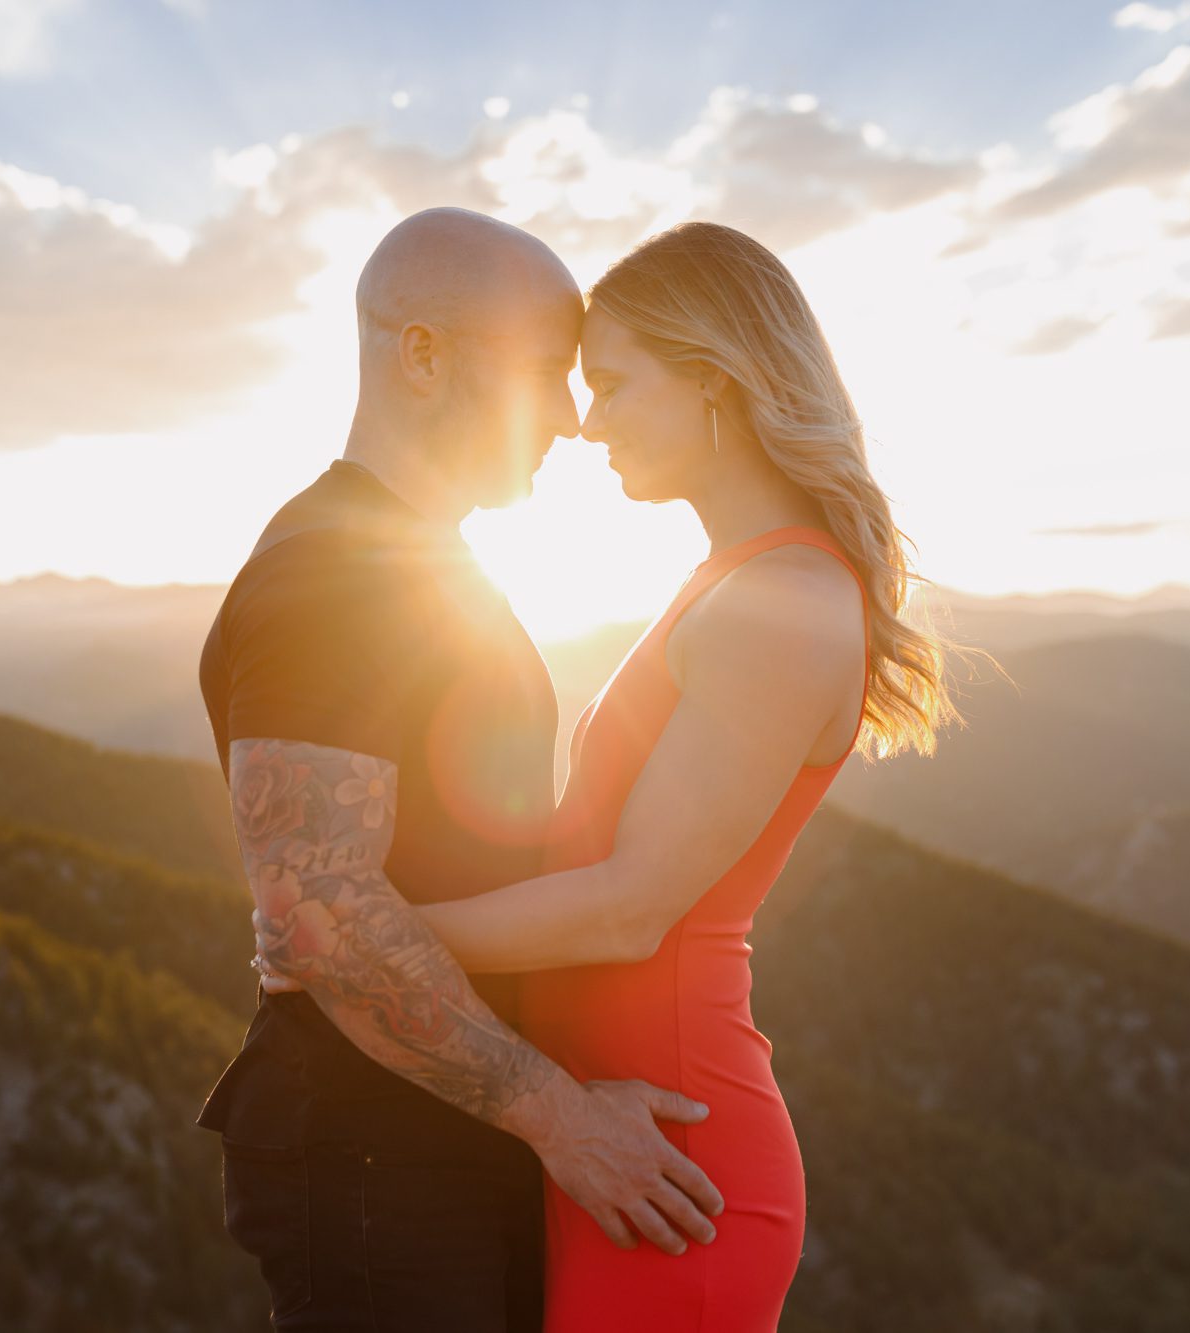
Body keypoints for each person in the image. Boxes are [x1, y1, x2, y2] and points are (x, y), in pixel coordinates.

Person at [258, 220, 974, 1330]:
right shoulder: (730, 582)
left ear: (710, 387)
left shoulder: (781, 603)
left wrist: (357, 933)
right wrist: (350, 935)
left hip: (667, 1144)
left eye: (609, 384)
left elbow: (631, 907)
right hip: (608, 1127)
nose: (584, 422)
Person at [197, 207, 727, 1333]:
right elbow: (320, 912)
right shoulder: (334, 574)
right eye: (545, 371)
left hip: (435, 1132)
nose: (574, 419)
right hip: (370, 1152)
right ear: (422, 354)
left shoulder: (418, 559)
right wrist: (562, 1120)